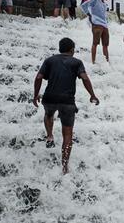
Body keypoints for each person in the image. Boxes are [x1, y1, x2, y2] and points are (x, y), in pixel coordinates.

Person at [33, 37, 99, 175]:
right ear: (72, 50)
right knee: (68, 133)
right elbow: (85, 78)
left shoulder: (49, 60)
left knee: (48, 114)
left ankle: (50, 136)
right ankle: (64, 166)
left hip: (49, 97)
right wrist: (92, 95)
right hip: (67, 101)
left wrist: (35, 95)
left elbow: (39, 77)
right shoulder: (76, 62)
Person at [81, 0, 110, 64]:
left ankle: (107, 62)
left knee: (105, 44)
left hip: (104, 25)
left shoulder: (104, 4)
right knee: (95, 43)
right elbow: (84, 5)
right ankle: (93, 61)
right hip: (97, 24)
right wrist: (89, 15)